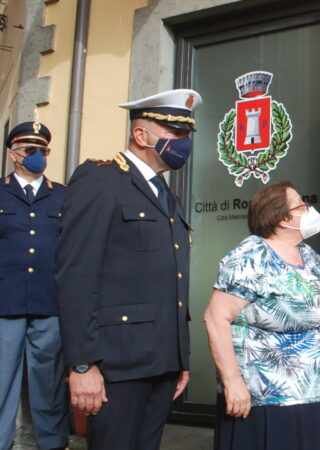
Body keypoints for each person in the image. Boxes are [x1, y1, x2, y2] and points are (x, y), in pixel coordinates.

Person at [55, 89, 202, 449]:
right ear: (141, 135)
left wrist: (179, 357)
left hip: (161, 361)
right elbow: (76, 276)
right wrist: (83, 365)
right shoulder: (101, 180)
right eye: (174, 134)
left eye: (186, 136)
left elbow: (170, 281)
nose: (183, 144)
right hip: (116, 364)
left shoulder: (167, 195)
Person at [204, 181, 320, 450]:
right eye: (302, 204)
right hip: (272, 399)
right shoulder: (250, 257)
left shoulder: (305, 252)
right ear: (283, 218)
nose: (309, 209)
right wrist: (233, 383)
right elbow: (216, 318)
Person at [0, 122, 70, 450]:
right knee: (1, 383)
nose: (38, 157)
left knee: (49, 384)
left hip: (49, 301)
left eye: (43, 151)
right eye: (31, 151)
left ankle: (53, 444)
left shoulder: (62, 195)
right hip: (6, 303)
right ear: (14, 155)